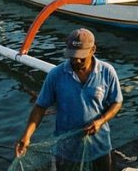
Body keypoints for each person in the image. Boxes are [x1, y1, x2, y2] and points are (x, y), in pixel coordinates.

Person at [16, 29, 123, 171]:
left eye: (81, 57)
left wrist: (100, 121)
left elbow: (117, 102)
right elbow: (40, 107)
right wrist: (27, 135)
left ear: (93, 50)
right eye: (72, 56)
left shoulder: (107, 72)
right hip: (66, 150)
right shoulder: (56, 75)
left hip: (99, 146)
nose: (76, 61)